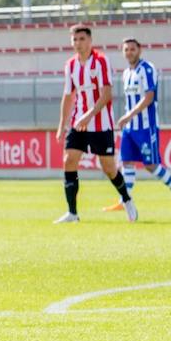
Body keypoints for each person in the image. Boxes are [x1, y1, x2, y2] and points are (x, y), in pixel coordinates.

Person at [54, 24, 136, 224]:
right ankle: (72, 213)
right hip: (78, 122)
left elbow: (107, 94)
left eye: (82, 39)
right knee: (69, 160)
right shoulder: (70, 66)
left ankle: (127, 199)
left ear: (90, 41)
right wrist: (61, 126)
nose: (78, 43)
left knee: (108, 167)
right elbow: (67, 97)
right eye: (75, 39)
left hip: (100, 123)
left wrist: (89, 115)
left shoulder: (100, 61)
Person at [107, 38, 171, 212]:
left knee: (150, 165)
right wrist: (127, 118)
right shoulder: (126, 73)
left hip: (145, 126)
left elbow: (149, 97)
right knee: (126, 162)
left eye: (132, 49)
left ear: (139, 50)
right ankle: (124, 200)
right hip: (130, 127)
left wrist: (128, 115)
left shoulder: (147, 69)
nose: (129, 52)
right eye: (126, 49)